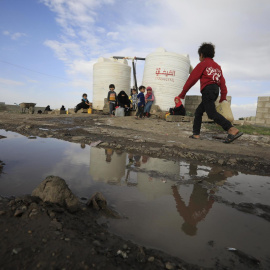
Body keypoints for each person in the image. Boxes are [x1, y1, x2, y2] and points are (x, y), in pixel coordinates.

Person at [178, 42, 243, 143]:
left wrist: (182, 94)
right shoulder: (217, 66)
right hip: (215, 90)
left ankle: (231, 129)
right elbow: (222, 82)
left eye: (199, 56)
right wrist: (223, 95)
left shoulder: (202, 64)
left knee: (211, 113)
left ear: (202, 55)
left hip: (208, 90)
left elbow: (192, 79)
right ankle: (196, 134)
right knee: (199, 112)